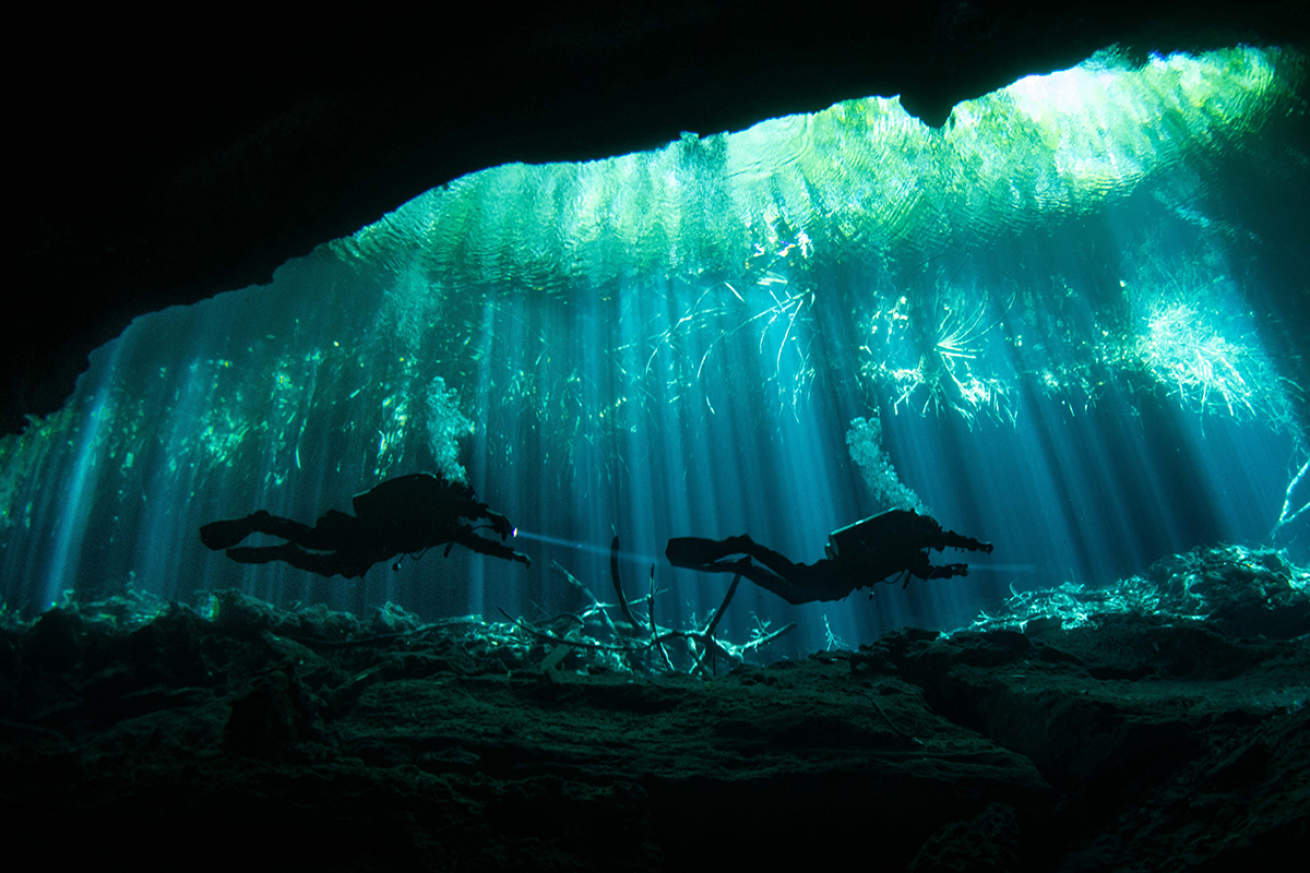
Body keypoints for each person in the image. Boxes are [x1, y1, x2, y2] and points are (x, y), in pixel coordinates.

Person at [200, 472, 531, 578]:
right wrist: (490, 514)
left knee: (326, 565)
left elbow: (478, 543)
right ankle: (264, 524)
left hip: (374, 547)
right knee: (315, 542)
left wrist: (511, 556)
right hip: (361, 533)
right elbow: (457, 507)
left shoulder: (448, 526)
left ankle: (282, 550)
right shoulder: (432, 499)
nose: (462, 513)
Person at [665, 509, 992, 605]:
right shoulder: (915, 536)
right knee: (794, 580)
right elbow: (944, 538)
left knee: (794, 586)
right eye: (931, 540)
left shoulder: (911, 552)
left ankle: (744, 561)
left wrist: (952, 570)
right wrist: (977, 546)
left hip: (845, 580)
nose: (931, 547)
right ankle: (745, 550)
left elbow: (925, 573)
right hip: (841, 573)